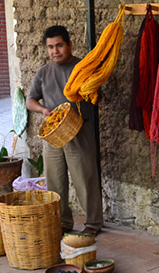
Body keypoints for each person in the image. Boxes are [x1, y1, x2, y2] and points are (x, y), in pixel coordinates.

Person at [26, 26, 103, 236]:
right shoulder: (43, 72)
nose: (55, 51)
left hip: (79, 129)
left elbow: (97, 95)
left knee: (85, 179)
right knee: (54, 181)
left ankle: (93, 224)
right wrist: (43, 110)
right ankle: (62, 222)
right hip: (52, 134)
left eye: (59, 45)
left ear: (69, 45)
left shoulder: (82, 68)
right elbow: (30, 100)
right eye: (50, 47)